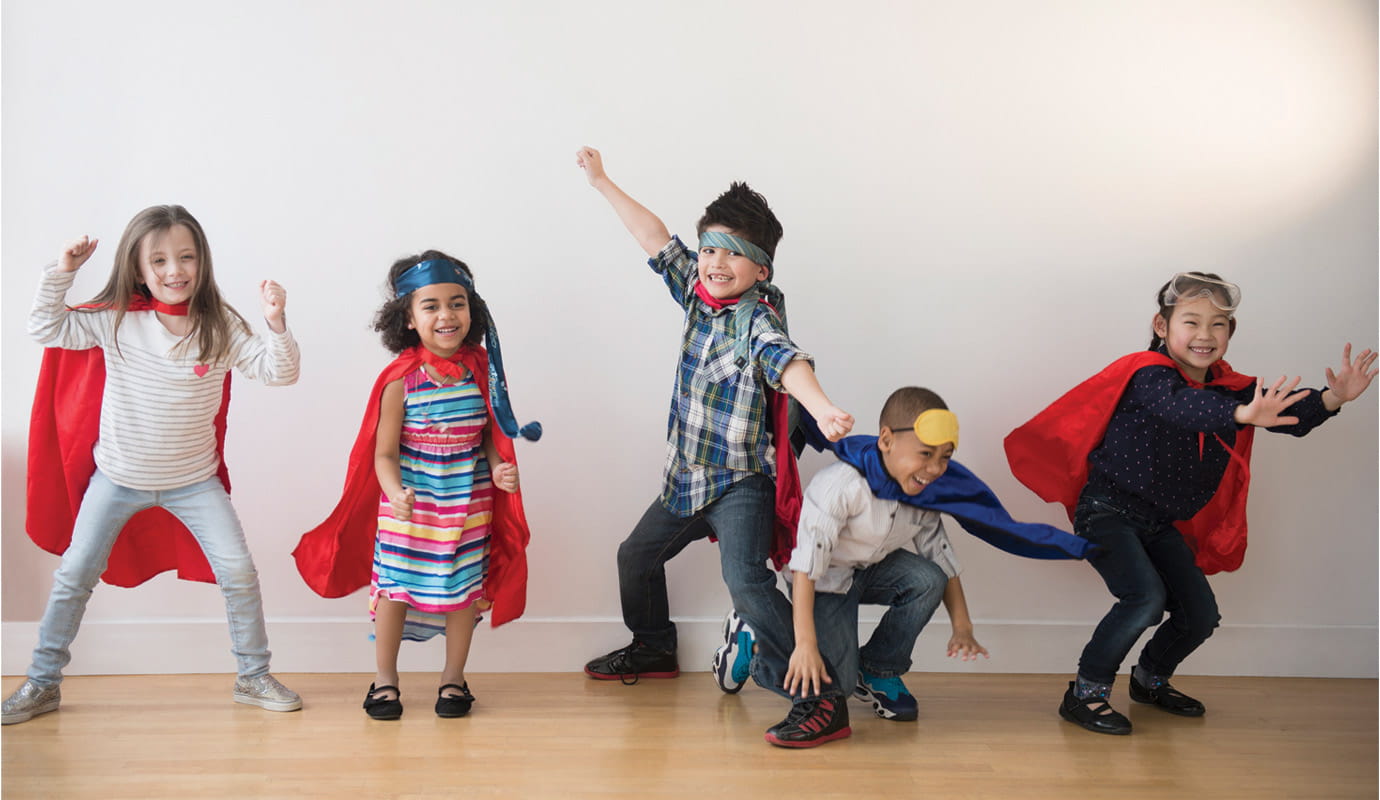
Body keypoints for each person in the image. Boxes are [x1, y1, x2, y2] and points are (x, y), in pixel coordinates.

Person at [1004, 272, 1377, 735]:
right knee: (1144, 599)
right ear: (1162, 327)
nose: (1205, 335)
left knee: (1200, 615)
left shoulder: (1228, 387)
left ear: (1230, 333)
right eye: (1191, 322)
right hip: (1107, 511)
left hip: (1158, 522)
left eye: (1218, 324)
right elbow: (1180, 407)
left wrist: (1332, 398)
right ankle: (1085, 693)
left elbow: (1282, 413)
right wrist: (1240, 414)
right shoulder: (1147, 375)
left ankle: (1149, 679)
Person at [574, 147, 855, 711]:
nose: (715, 262)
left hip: (739, 483)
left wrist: (821, 408)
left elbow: (786, 360)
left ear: (760, 270)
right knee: (636, 556)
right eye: (708, 249)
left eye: (733, 254)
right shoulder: (699, 298)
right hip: (686, 477)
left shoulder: (757, 319)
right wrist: (603, 182)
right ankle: (654, 648)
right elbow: (654, 237)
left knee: (748, 581)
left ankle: (815, 695)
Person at [4, 205, 302, 725]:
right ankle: (42, 682)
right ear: (137, 269)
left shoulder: (221, 325)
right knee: (75, 574)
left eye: (186, 257)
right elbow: (45, 328)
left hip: (194, 483)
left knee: (237, 571)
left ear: (202, 262)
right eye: (158, 260)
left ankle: (253, 676)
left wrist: (276, 324)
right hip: (117, 479)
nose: (174, 270)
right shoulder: (118, 320)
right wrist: (63, 272)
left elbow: (279, 373)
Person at [728, 387, 1091, 747]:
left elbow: (940, 557)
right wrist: (804, 644)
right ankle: (754, 650)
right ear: (886, 440)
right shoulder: (840, 485)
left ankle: (877, 668)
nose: (935, 469)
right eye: (924, 454)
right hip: (825, 579)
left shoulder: (921, 491)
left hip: (870, 568)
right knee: (828, 685)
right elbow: (806, 567)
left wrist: (962, 625)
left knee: (926, 578)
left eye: (945, 457)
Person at [293, 251, 538, 721]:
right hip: (412, 504)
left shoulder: (480, 370)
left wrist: (498, 466)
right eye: (431, 306)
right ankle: (385, 678)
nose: (446, 315)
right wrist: (394, 492)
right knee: (394, 591)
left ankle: (454, 679)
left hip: (469, 500)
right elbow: (382, 453)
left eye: (457, 303)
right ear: (407, 317)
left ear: (473, 309)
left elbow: (489, 434)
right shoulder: (400, 381)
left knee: (464, 590)